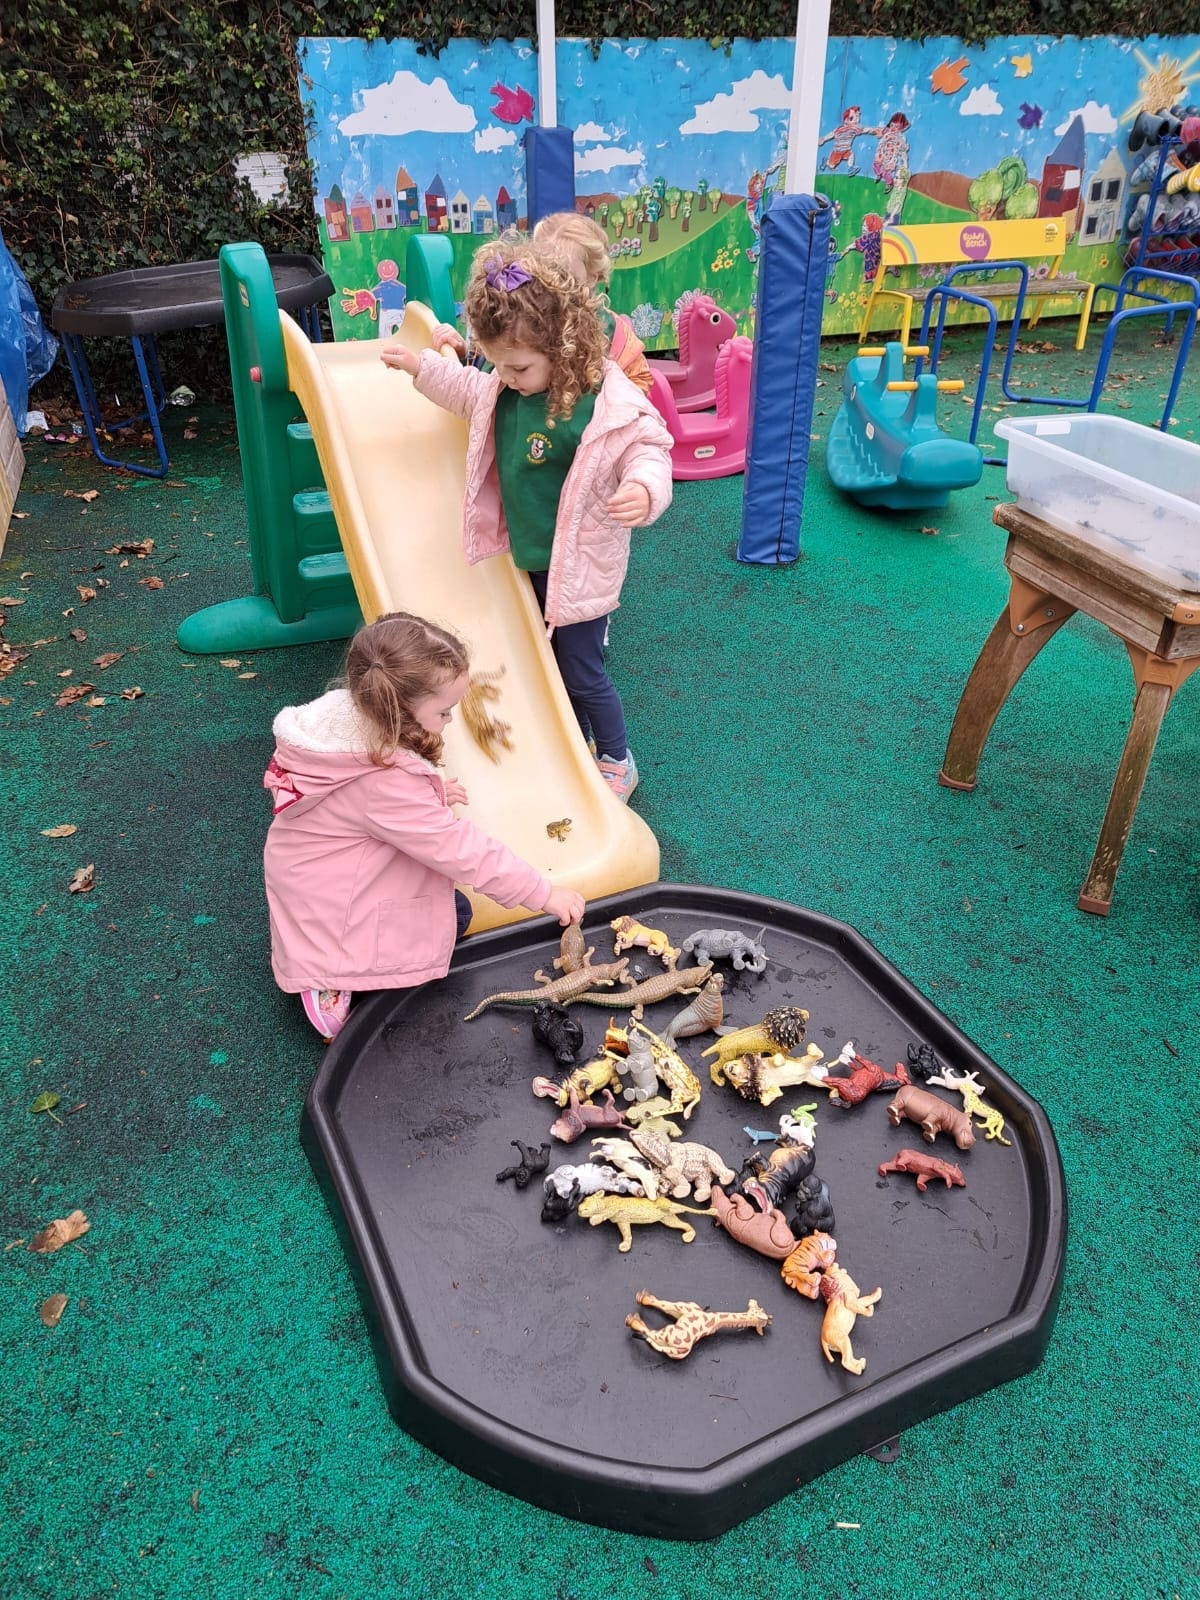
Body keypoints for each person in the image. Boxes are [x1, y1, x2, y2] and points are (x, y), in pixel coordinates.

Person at [381, 238, 674, 803]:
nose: (507, 376)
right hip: (531, 560)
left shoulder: (599, 400)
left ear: (561, 346)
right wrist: (422, 367)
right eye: (499, 364)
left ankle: (617, 758)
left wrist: (643, 488)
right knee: (552, 668)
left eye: (518, 366)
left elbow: (646, 445)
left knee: (583, 670)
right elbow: (466, 388)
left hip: (581, 566)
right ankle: (576, 743)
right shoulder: (505, 390)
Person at [263, 611, 586, 1041]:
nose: (450, 720)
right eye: (444, 711)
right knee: (449, 920)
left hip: (315, 874)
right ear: (399, 711)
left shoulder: (346, 718)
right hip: (333, 905)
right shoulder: (385, 783)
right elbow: (461, 850)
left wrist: (429, 792)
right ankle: (327, 976)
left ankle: (331, 957)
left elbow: (362, 806)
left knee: (454, 911)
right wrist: (542, 892)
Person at [531, 211, 654, 394]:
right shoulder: (525, 318)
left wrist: (613, 403)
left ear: (593, 276)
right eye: (543, 276)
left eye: (566, 278)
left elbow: (640, 378)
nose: (555, 287)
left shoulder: (613, 330)